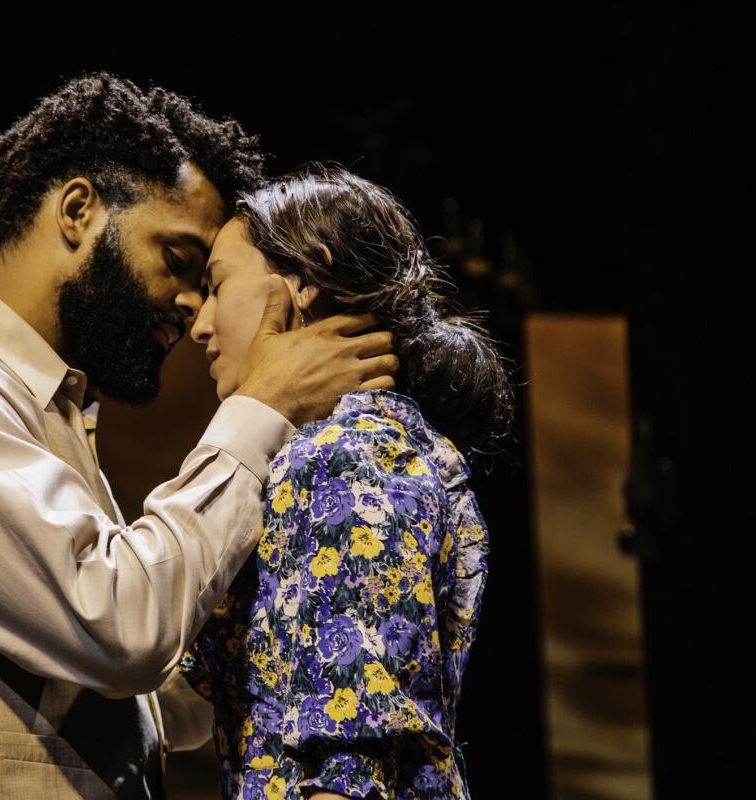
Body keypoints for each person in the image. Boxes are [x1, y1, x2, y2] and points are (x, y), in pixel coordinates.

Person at [0, 75, 399, 799]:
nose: (192, 308)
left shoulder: (47, 409)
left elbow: (136, 703)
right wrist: (261, 407)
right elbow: (121, 627)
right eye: (179, 261)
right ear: (79, 210)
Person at [180, 165, 514, 800]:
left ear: (302, 282)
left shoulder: (345, 455)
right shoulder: (368, 445)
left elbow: (349, 756)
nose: (201, 323)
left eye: (217, 287)